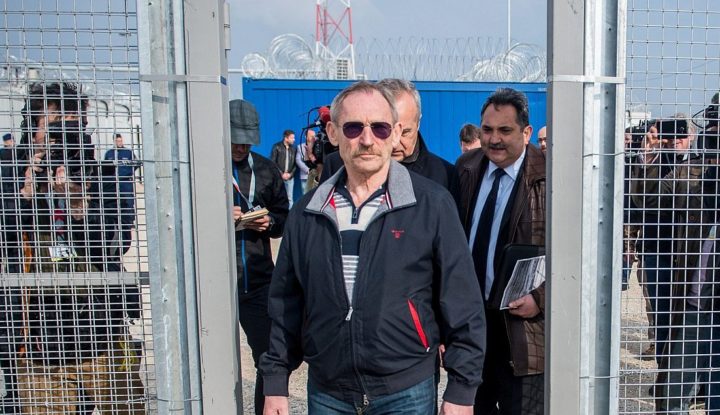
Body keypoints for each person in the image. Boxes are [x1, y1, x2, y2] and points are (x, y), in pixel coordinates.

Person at [260, 81, 486, 415]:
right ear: (333, 133)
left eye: (379, 128)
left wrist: (462, 389)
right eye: (354, 128)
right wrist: (276, 381)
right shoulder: (308, 213)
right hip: (328, 392)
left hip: (406, 391)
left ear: (395, 134)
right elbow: (285, 302)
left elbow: (461, 300)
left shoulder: (432, 205)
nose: (367, 139)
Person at [0, 82, 144, 414]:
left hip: (100, 329)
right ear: (32, 127)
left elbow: (120, 242)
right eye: (54, 125)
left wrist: (80, 204)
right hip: (34, 338)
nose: (63, 135)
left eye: (73, 125)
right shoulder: (8, 171)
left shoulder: (99, 173)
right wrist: (25, 193)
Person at [455, 87, 546, 415]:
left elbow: (576, 255)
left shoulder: (549, 177)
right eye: (487, 129)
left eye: (505, 130)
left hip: (522, 328)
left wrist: (541, 298)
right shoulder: (466, 168)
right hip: (472, 323)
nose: (494, 139)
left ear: (526, 132)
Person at [631, 102, 719, 412]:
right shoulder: (693, 171)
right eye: (713, 131)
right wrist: (648, 157)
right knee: (674, 392)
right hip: (695, 300)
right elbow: (649, 199)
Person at [228, 99, 289, 415]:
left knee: (269, 358)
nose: (241, 147)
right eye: (235, 140)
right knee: (215, 360)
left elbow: (284, 217)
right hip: (215, 284)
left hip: (258, 281)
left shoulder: (266, 170)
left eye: (247, 141)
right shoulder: (202, 169)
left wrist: (270, 222)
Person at [319, 78, 459, 199]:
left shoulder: (444, 175)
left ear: (418, 123)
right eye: (382, 129)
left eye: (405, 132)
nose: (395, 143)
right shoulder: (336, 164)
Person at [629, 115, 694, 363]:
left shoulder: (703, 162)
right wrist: (648, 156)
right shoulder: (656, 161)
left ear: (692, 136)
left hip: (693, 253)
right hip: (659, 249)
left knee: (694, 316)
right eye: (670, 134)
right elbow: (641, 200)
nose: (675, 140)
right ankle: (665, 373)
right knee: (662, 316)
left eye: (681, 134)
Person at [104, 133, 140, 253]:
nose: (119, 143)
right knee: (114, 201)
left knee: (128, 201)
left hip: (125, 182)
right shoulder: (109, 153)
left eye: (120, 141)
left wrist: (128, 172)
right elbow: (105, 166)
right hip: (113, 182)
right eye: (117, 141)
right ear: (114, 141)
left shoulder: (128, 152)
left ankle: (129, 221)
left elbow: (136, 163)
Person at [270, 129, 297, 208]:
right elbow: (273, 162)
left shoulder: (293, 149)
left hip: (290, 178)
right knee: (278, 198)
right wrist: (281, 174)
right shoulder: (276, 146)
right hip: (279, 178)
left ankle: (290, 215)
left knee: (290, 198)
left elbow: (296, 164)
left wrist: (290, 174)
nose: (294, 140)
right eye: (292, 138)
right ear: (286, 138)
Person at [295, 129, 317, 193]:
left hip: (316, 176)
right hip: (305, 176)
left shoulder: (318, 146)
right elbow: (298, 160)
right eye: (311, 136)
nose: (313, 138)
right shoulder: (300, 147)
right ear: (306, 137)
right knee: (305, 194)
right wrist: (307, 170)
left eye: (314, 136)